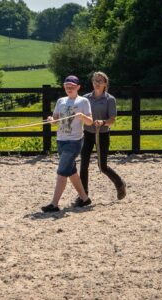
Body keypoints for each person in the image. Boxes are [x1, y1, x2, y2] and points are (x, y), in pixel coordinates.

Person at [41, 75, 94, 212]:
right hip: (61, 140)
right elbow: (56, 120)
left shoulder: (83, 101)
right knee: (71, 171)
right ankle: (84, 198)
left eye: (71, 86)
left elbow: (90, 121)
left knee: (62, 171)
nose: (69, 89)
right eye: (66, 86)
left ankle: (54, 204)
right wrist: (51, 120)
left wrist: (83, 117)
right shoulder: (61, 101)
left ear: (78, 87)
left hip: (74, 141)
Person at [80, 71, 126, 200]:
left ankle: (119, 183)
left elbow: (112, 119)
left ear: (105, 83)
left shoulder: (110, 99)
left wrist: (103, 122)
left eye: (100, 81)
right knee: (83, 165)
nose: (97, 83)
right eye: (95, 80)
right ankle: (83, 195)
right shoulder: (85, 98)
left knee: (102, 166)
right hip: (88, 134)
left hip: (102, 135)